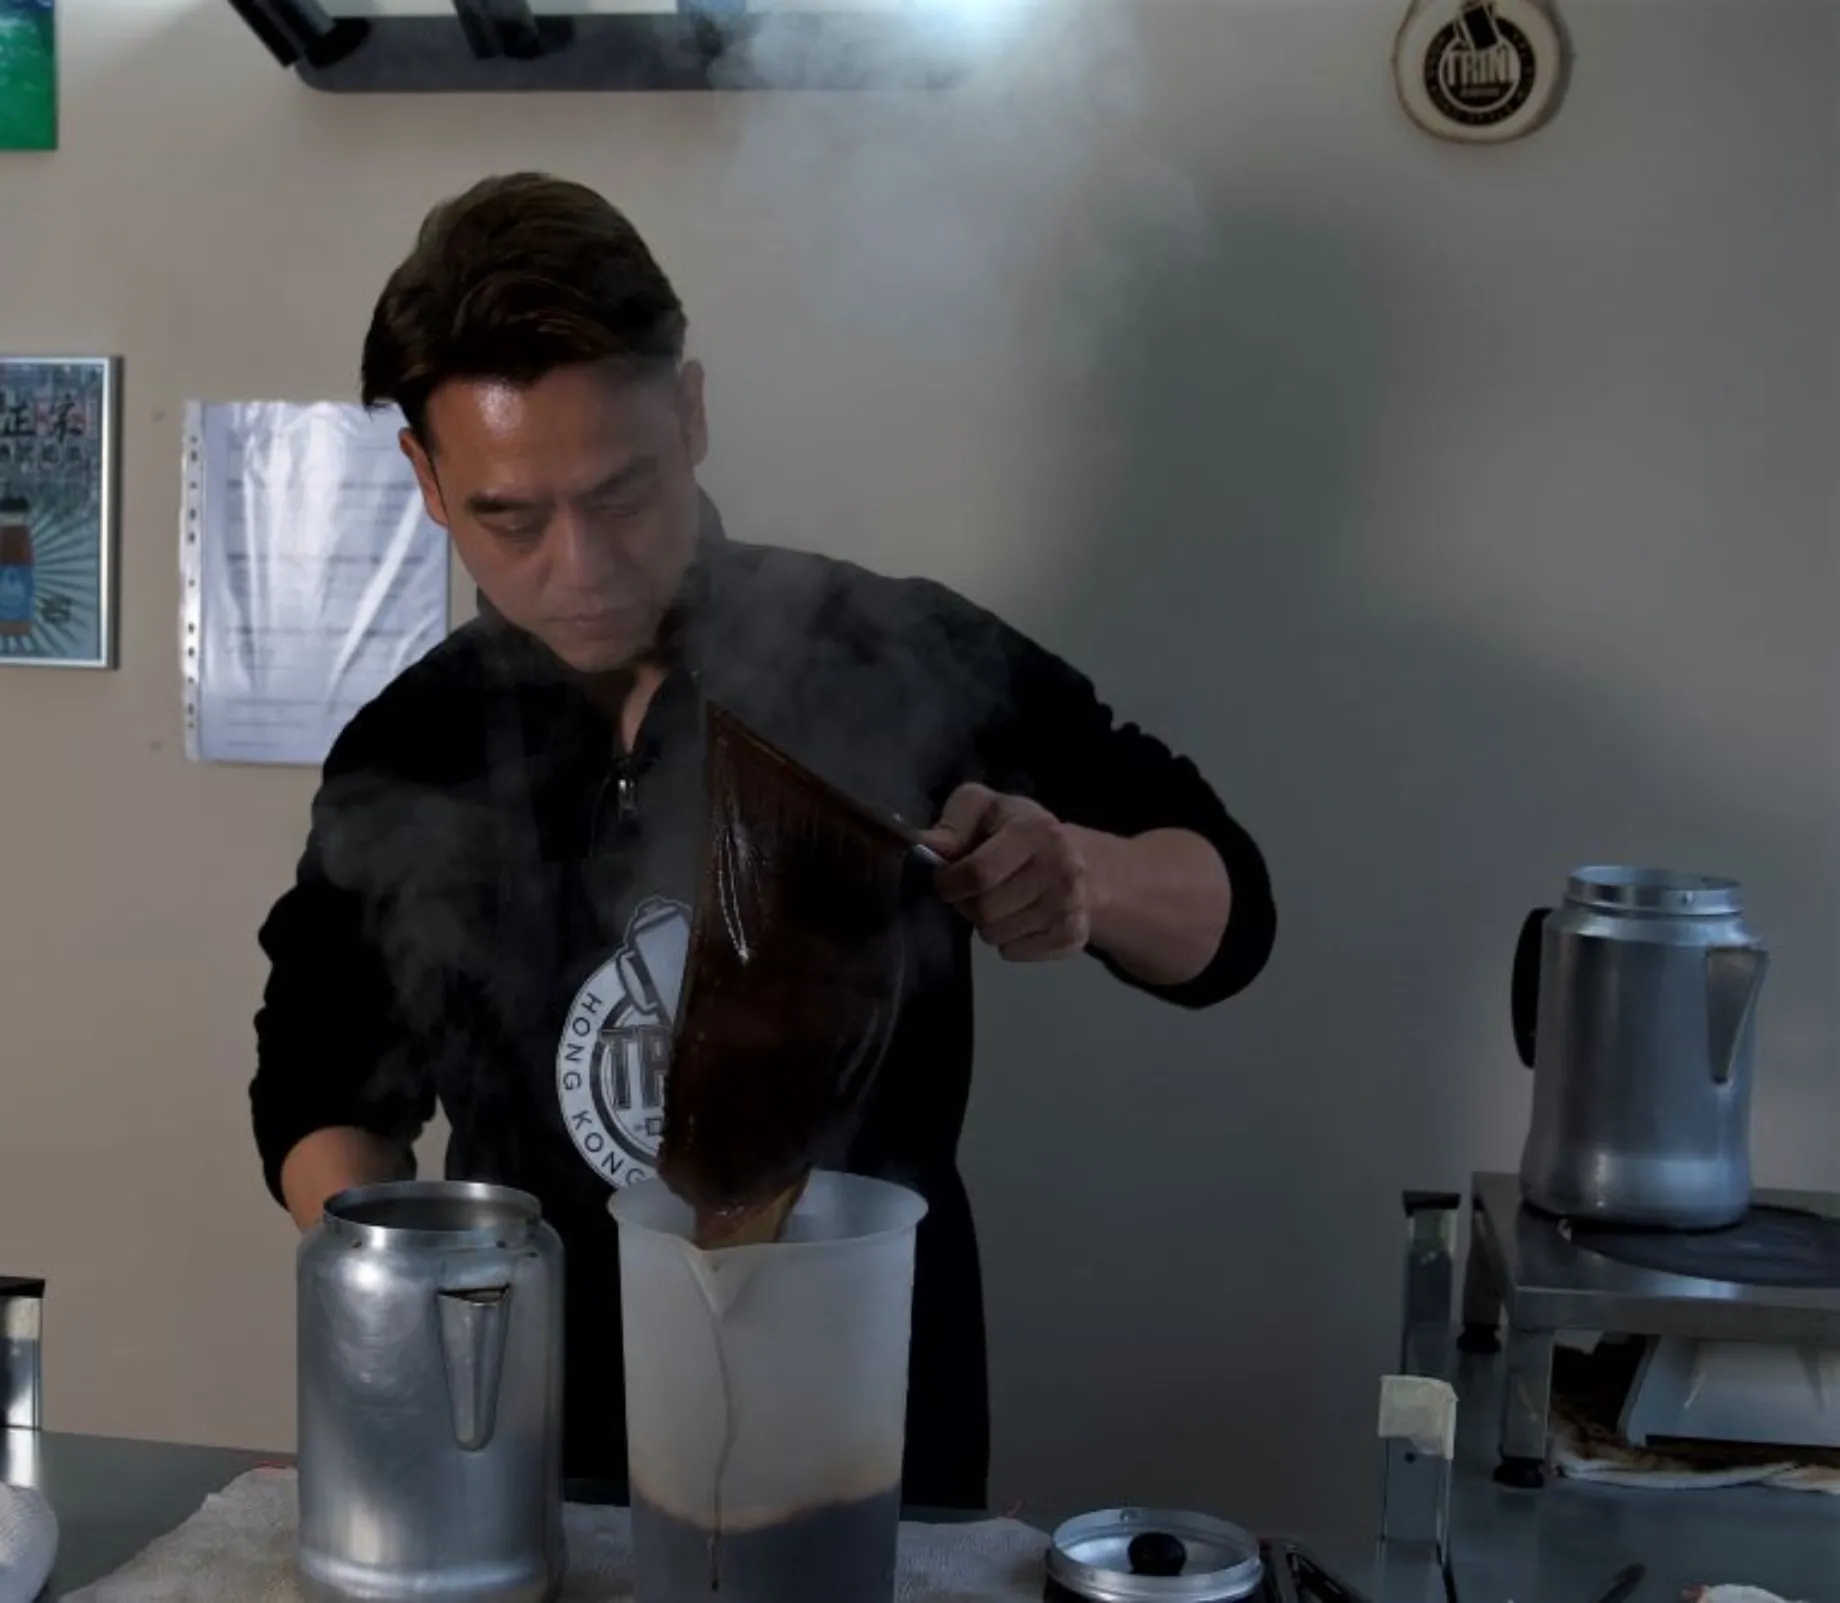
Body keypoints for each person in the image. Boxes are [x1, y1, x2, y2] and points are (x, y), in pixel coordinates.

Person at [251, 172, 1277, 1511]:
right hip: (533, 1475)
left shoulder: (892, 650)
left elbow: (1228, 907)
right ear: (429, 481)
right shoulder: (415, 743)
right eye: (512, 515)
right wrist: (402, 1342)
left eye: (623, 490)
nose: (582, 563)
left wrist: (1085, 874)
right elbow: (318, 1080)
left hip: (863, 1457)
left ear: (690, 413)